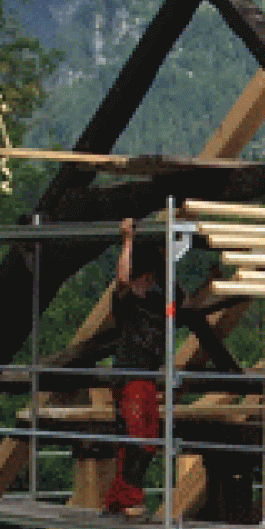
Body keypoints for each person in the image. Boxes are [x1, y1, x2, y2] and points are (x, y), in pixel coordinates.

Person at [106, 217, 167, 513]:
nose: (151, 282)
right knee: (135, 437)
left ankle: (120, 497)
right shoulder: (127, 301)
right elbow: (121, 280)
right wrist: (128, 240)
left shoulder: (157, 304)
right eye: (147, 278)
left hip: (146, 379)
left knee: (146, 441)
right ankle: (129, 499)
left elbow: (177, 302)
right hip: (129, 377)